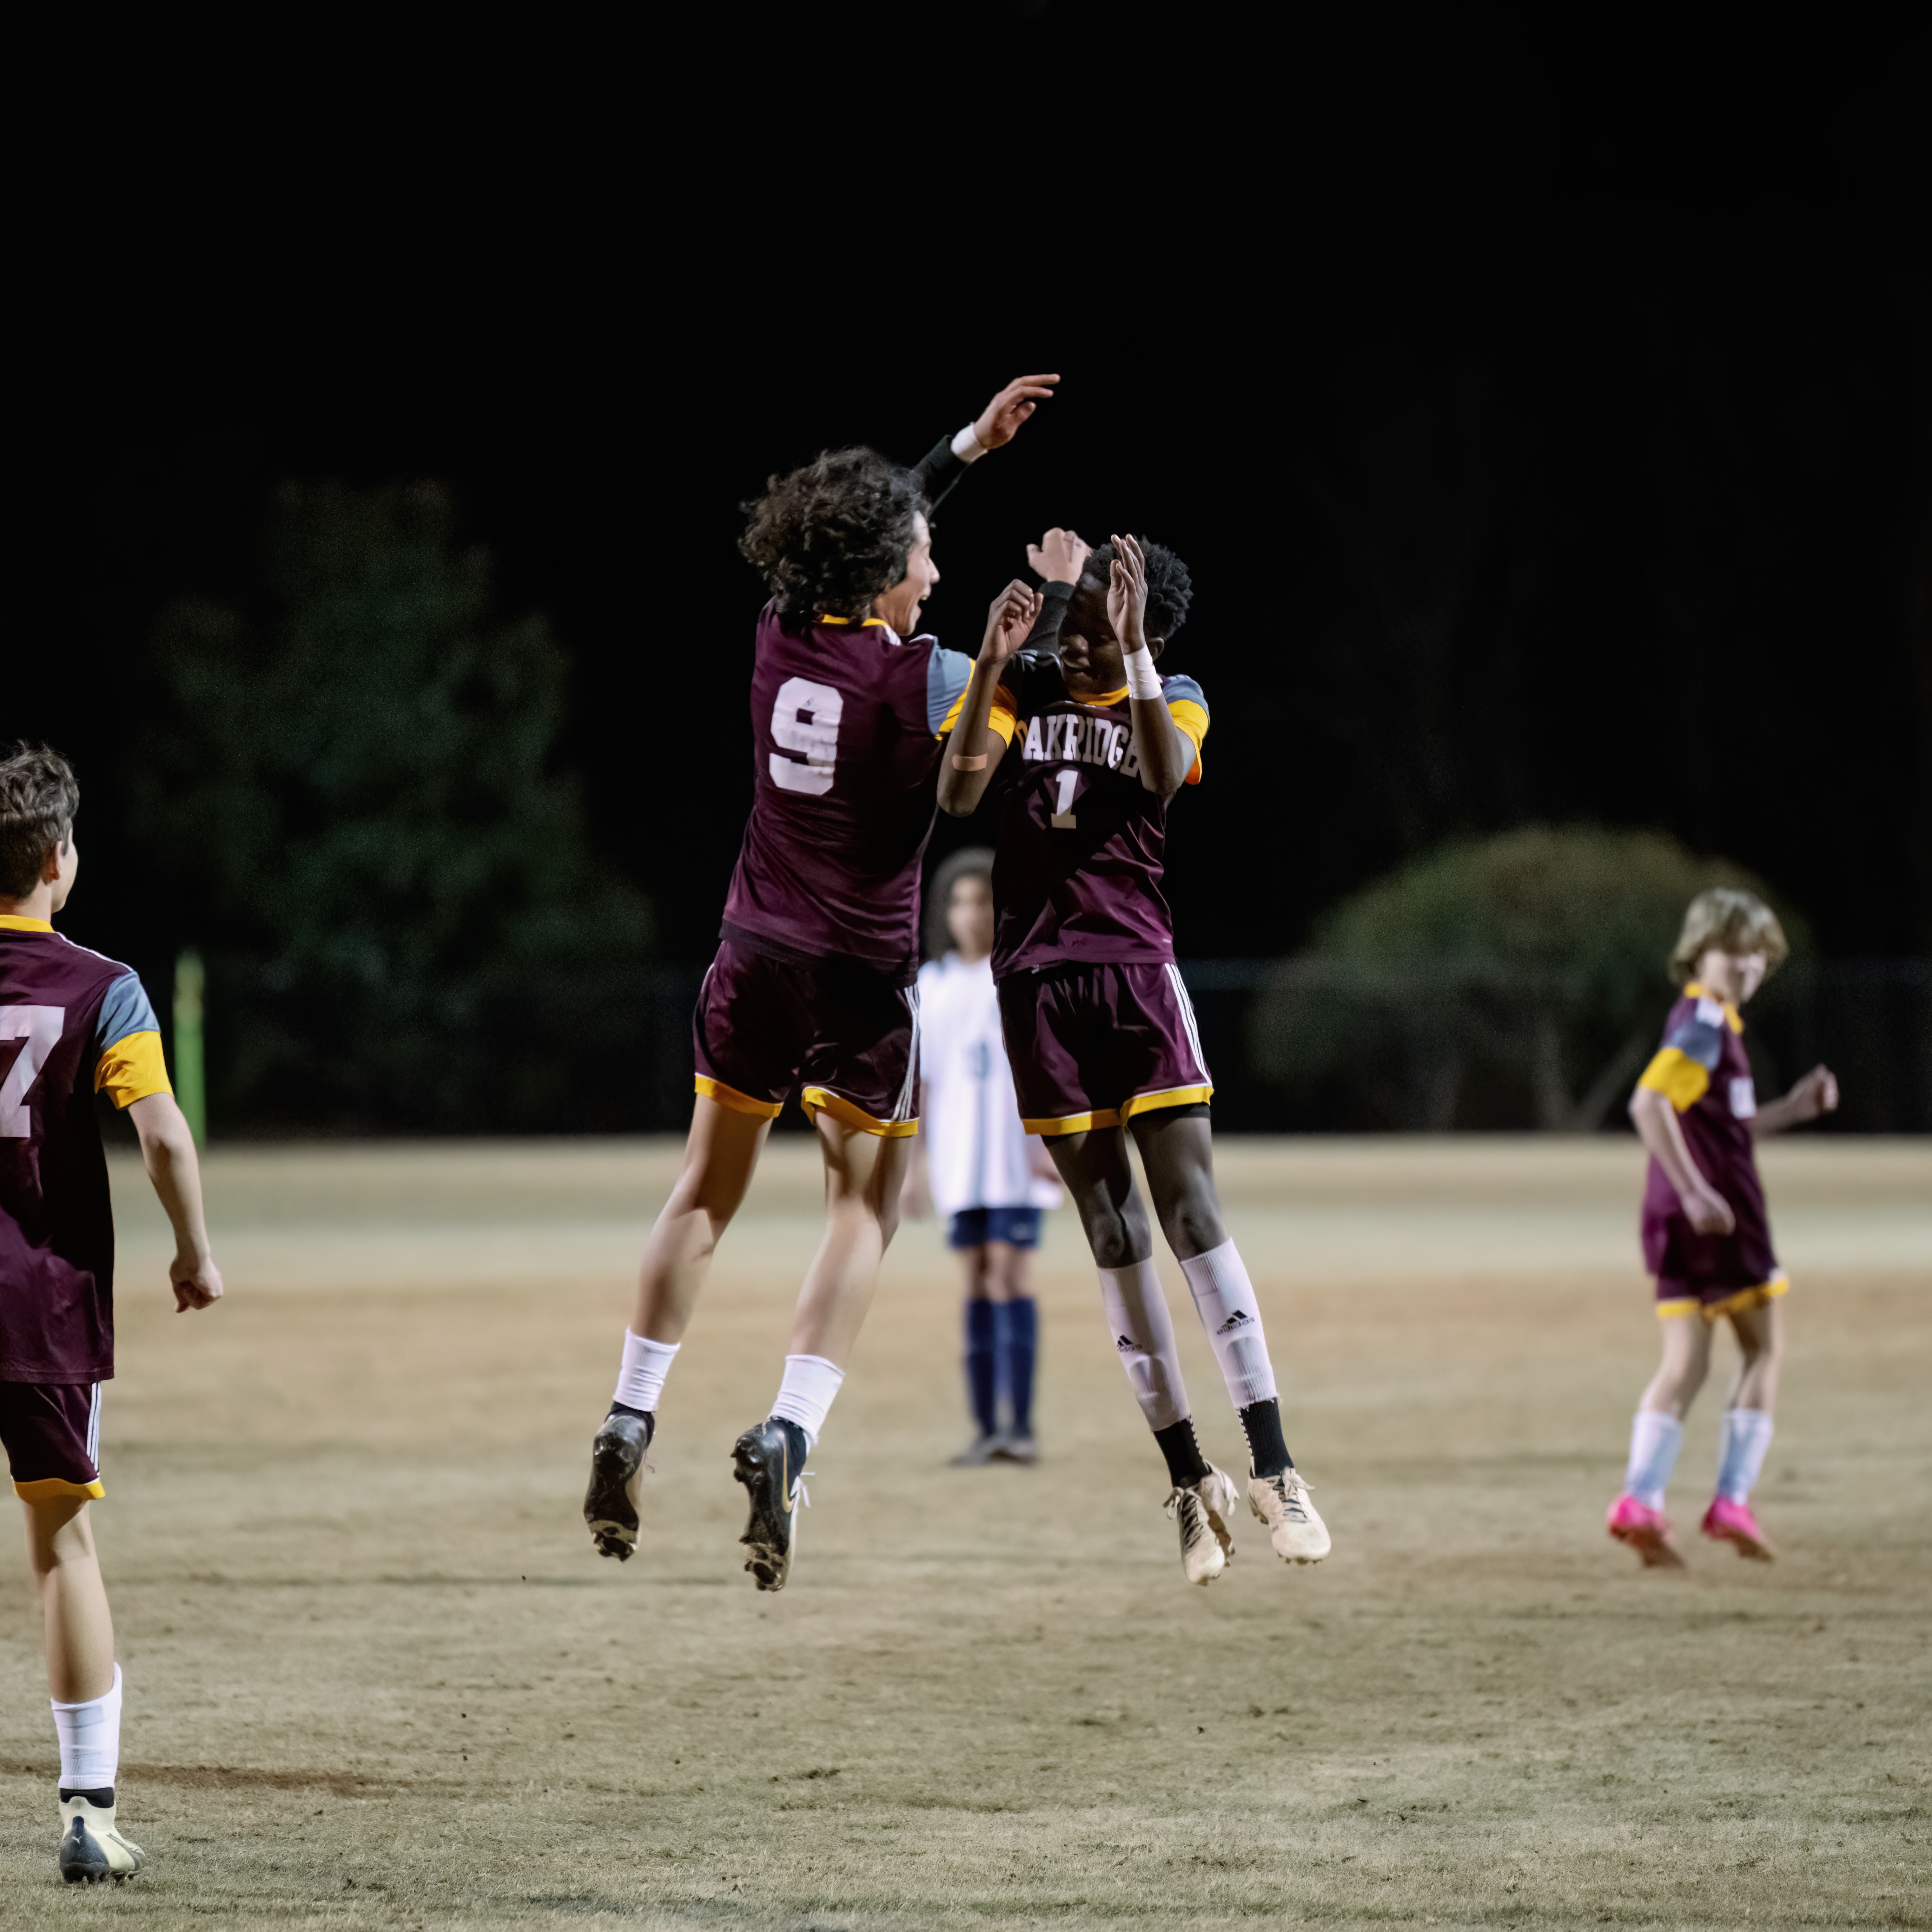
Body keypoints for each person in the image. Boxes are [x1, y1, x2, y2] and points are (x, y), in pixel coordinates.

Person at [582, 375, 1059, 1592]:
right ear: (880, 573)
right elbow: (988, 760)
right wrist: (1041, 620)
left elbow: (872, 512)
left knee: (703, 1188)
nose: (936, 571)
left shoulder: (779, 629)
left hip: (749, 953)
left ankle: (631, 1416)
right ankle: (790, 1430)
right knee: (865, 1209)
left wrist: (962, 448)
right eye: (924, 555)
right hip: (854, 981)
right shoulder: (929, 681)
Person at [937, 530, 1330, 1587]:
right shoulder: (1027, 680)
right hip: (1035, 989)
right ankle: (1188, 1480)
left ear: (1143, 631)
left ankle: (1276, 1467)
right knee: (1112, 1233)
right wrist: (994, 656)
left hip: (1136, 976)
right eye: (1069, 631)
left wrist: (1132, 648)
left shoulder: (1177, 692)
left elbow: (1161, 776)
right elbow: (957, 796)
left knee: (1191, 1211)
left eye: (1095, 632)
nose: (1071, 647)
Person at [0, 745, 224, 1883]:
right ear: (58, 859)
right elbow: (164, 1133)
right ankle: (87, 1813)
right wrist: (194, 1251)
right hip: (38, 1308)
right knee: (60, 1546)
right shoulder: (102, 984)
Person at [1608, 888, 1838, 1567]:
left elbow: (1722, 1126)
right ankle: (1731, 1501)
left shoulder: (1706, 1021)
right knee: (1764, 1351)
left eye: (1759, 957)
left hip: (1675, 1220)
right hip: (1723, 1219)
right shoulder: (1706, 1026)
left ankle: (1639, 1502)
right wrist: (1698, 1188)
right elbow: (1648, 1105)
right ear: (1698, 954)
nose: (1747, 968)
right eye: (1733, 953)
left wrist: (1792, 1111)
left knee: (1687, 1362)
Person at [906, 847, 1061, 1467]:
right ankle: (985, 1429)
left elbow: (1049, 1069)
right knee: (973, 1281)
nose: (971, 915)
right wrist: (914, 1168)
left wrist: (1050, 1144)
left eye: (984, 903)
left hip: (1014, 1158)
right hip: (957, 1160)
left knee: (1010, 1276)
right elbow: (925, 1082)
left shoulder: (1020, 981)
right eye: (961, 902)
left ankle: (1020, 1429)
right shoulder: (932, 985)